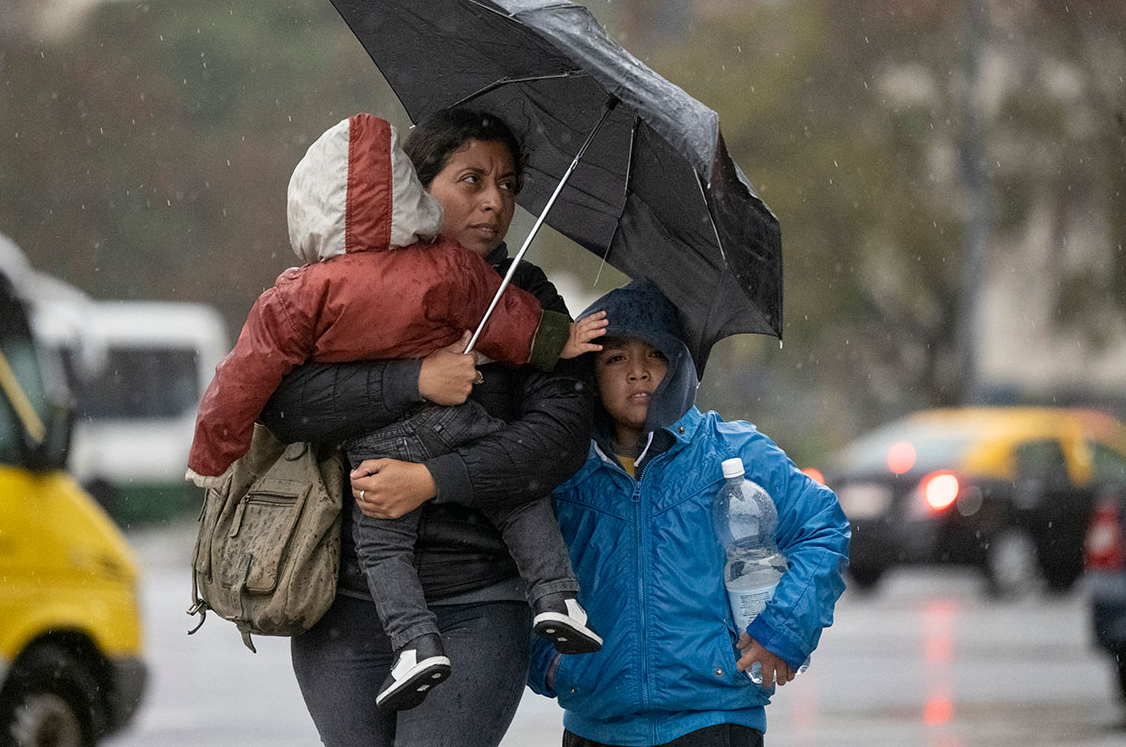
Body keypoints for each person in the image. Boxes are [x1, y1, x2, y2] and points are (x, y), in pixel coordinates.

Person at [185, 113, 605, 712]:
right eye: (472, 180)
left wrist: (430, 482)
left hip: (479, 602)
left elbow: (556, 443)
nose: (494, 201)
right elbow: (285, 407)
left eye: (509, 185)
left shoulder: (529, 298)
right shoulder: (330, 283)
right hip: (340, 601)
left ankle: (553, 597)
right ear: (417, 186)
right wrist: (414, 379)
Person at [528, 279, 850, 747]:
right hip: (595, 725)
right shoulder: (563, 468)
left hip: (715, 721)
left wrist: (780, 632)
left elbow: (824, 527)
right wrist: (549, 662)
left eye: (654, 356)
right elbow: (508, 559)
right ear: (589, 372)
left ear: (679, 366)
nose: (637, 373)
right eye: (615, 358)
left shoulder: (731, 453)